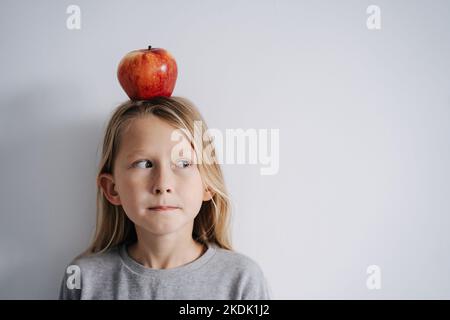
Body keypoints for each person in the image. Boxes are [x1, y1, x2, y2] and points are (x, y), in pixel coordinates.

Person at [58, 96, 271, 299]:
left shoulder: (241, 280)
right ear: (112, 188)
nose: (163, 185)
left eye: (184, 163)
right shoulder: (83, 279)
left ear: (208, 184)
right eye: (144, 164)